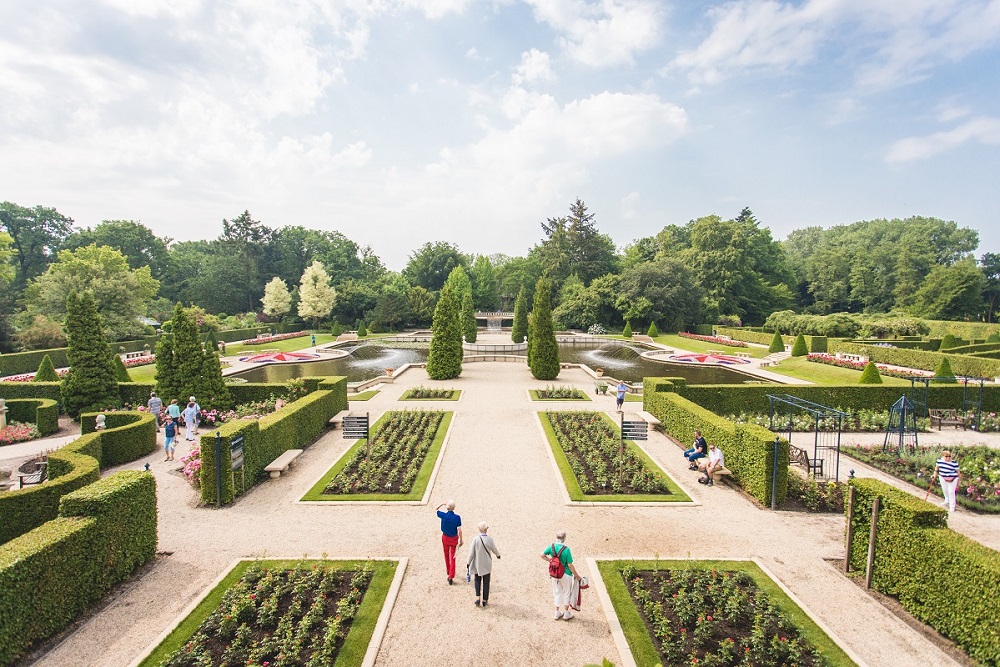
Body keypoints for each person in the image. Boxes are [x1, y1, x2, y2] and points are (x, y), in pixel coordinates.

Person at [541, 531, 582, 620]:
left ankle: (557, 612)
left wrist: (550, 561)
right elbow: (570, 565)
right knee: (567, 593)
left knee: (557, 592)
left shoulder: (551, 547)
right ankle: (566, 613)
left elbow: (542, 555)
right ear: (564, 538)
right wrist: (577, 576)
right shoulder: (566, 549)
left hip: (555, 573)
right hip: (566, 574)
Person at [467, 521, 501, 607]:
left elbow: (471, 553)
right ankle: (485, 600)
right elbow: (494, 549)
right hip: (486, 564)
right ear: (486, 530)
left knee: (477, 580)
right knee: (486, 582)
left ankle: (478, 598)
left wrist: (468, 562)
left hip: (477, 564)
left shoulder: (475, 539)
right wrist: (498, 555)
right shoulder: (489, 539)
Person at [435, 500, 463, 584]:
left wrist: (442, 504)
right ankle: (451, 575)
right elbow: (459, 530)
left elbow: (436, 509)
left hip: (445, 538)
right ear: (454, 508)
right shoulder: (457, 517)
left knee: (446, 554)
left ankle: (448, 569)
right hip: (453, 538)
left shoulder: (443, 515)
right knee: (453, 557)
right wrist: (461, 540)